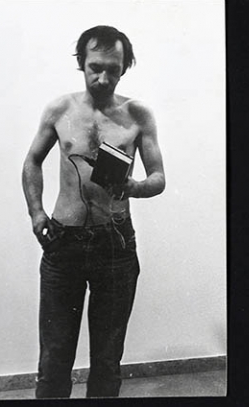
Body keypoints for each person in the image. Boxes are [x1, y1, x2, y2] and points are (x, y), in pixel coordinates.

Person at [22, 25, 166, 397]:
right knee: (54, 357)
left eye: (112, 70)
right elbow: (32, 162)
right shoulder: (60, 109)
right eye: (95, 67)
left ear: (124, 68)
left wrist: (134, 186)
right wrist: (36, 213)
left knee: (106, 359)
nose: (102, 78)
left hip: (114, 245)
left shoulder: (137, 115)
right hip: (63, 243)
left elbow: (159, 178)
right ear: (81, 63)